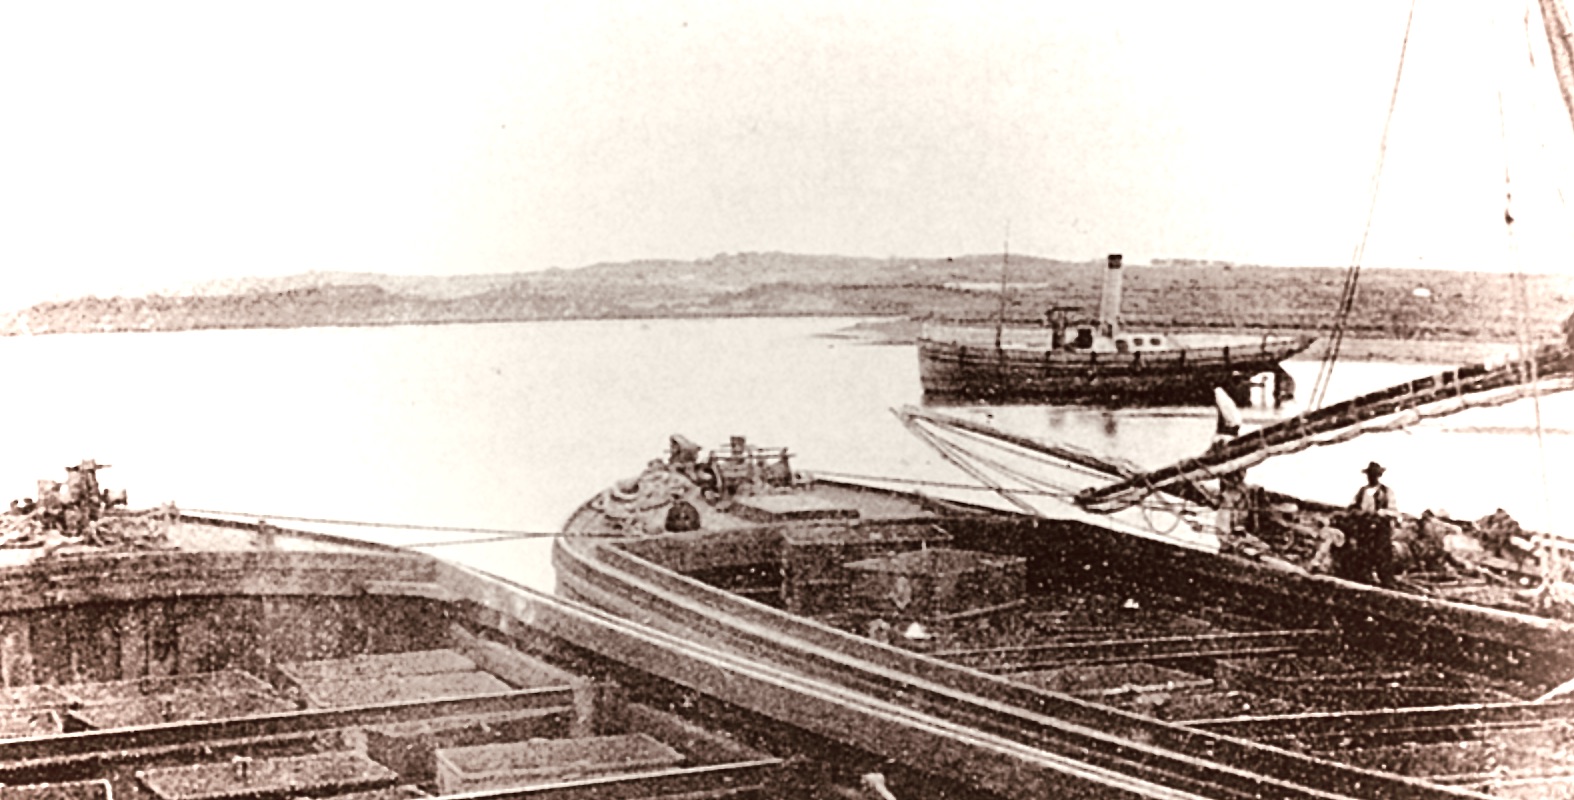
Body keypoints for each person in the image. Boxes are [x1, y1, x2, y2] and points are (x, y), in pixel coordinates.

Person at [1349, 461, 1399, 586]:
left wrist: (1383, 513)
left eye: (1374, 475)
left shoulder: (1386, 492)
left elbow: (1393, 511)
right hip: (1364, 526)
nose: (1371, 477)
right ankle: (1364, 578)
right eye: (1370, 475)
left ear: (1379, 476)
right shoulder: (1362, 492)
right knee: (1363, 552)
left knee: (1382, 554)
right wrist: (1359, 513)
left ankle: (1386, 581)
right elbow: (1352, 507)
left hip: (1381, 527)